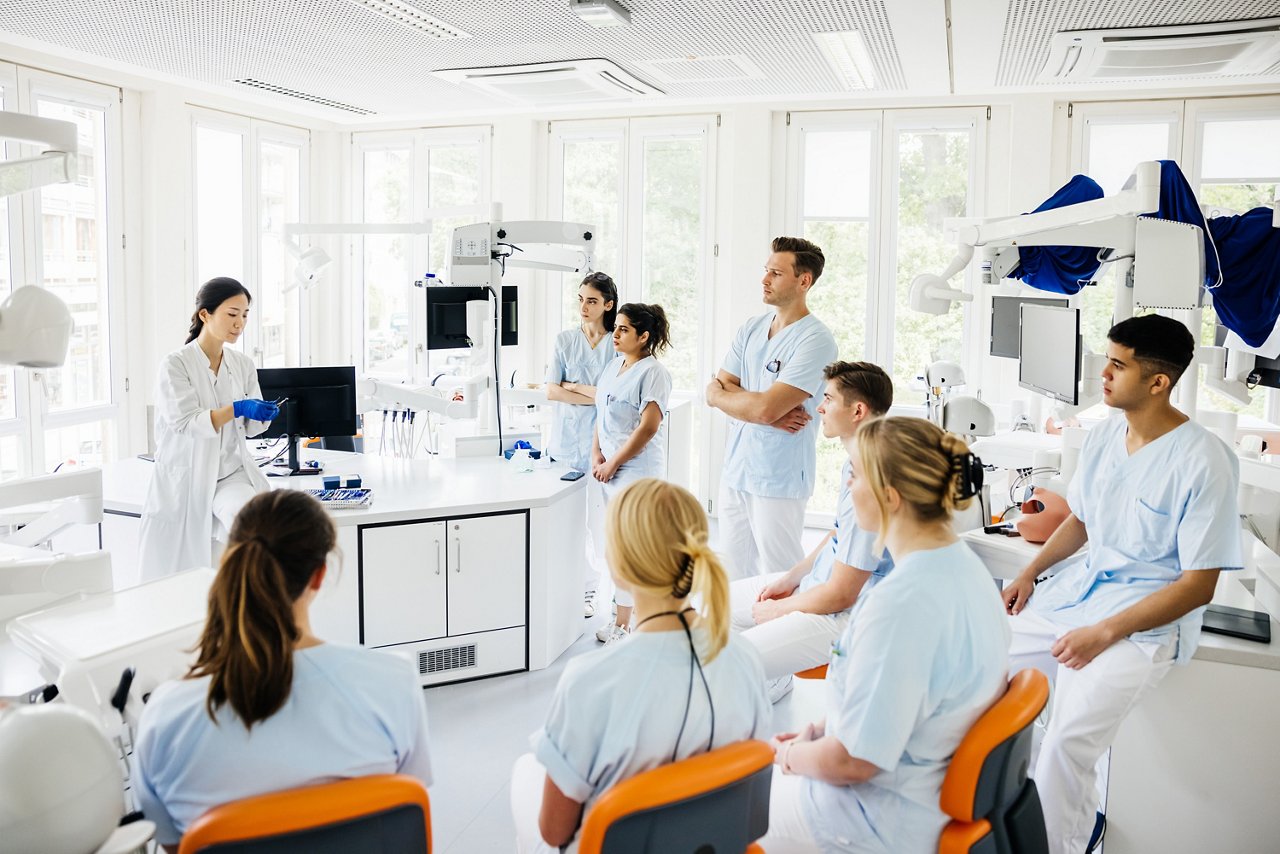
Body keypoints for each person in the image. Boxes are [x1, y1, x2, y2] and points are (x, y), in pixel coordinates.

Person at [1002, 314, 1241, 854]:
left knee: (1067, 741)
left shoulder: (1205, 462)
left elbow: (1198, 586)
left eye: (1117, 364)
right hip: (1075, 598)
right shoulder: (1109, 433)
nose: (1103, 374)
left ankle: (1063, 841)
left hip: (1141, 625)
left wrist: (1105, 632)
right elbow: (1082, 520)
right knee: (977, 671)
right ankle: (1011, 813)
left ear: (1158, 382)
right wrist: (1029, 573)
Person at [759, 417, 1009, 854]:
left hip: (873, 820)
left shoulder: (900, 605)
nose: (847, 487)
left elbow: (853, 761)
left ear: (889, 497)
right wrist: (816, 732)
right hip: (921, 791)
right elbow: (888, 703)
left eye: (854, 474)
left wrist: (789, 757)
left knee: (697, 817)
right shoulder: (966, 568)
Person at [133, 490, 432, 851]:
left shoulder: (167, 717)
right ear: (319, 575)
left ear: (231, 563)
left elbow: (174, 846)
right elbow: (402, 812)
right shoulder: (392, 683)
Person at [510, 478, 772, 854]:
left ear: (620, 566)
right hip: (714, 846)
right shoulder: (745, 659)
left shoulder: (589, 682)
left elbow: (554, 831)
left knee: (525, 772)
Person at [730, 361, 894, 701]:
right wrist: (790, 578)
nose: (819, 407)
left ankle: (742, 695)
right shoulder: (854, 462)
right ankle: (768, 680)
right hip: (818, 589)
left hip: (844, 615)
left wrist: (778, 612)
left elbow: (842, 595)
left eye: (829, 400)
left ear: (858, 410)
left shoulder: (874, 479)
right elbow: (838, 534)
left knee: (727, 664)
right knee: (713, 607)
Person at [706, 236, 838, 581]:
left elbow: (762, 408)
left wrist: (752, 407)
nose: (764, 280)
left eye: (775, 273)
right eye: (766, 271)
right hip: (736, 469)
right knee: (734, 573)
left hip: (778, 474)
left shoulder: (816, 340)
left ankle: (786, 635)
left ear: (803, 281)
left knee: (780, 574)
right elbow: (714, 391)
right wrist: (758, 409)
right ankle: (736, 636)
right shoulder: (751, 328)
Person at [137, 278, 280, 582]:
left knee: (251, 522)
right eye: (232, 314)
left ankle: (246, 600)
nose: (239, 323)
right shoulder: (175, 364)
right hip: (187, 477)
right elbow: (187, 422)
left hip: (230, 474)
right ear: (205, 314)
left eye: (244, 315)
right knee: (173, 577)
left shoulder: (242, 364)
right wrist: (239, 408)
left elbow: (252, 430)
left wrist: (263, 415)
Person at [590, 303, 674, 643]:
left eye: (625, 329)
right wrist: (596, 453)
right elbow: (601, 412)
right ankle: (629, 617)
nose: (617, 334)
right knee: (616, 550)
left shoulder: (653, 373)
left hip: (637, 474)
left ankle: (627, 624)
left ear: (644, 337)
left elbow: (648, 428)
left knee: (630, 553)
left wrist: (613, 462)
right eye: (617, 328)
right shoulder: (613, 367)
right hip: (610, 472)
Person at [545, 272, 619, 619]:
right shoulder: (564, 340)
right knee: (566, 522)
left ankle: (593, 592)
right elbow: (551, 390)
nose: (583, 307)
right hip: (564, 445)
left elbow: (613, 398)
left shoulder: (616, 345)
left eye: (591, 300)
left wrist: (574, 387)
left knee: (597, 524)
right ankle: (572, 589)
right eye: (580, 299)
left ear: (608, 304)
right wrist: (593, 393)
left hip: (601, 447)